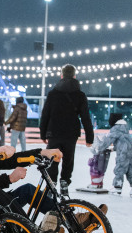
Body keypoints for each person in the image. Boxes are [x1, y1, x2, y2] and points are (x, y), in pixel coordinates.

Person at [40, 64, 94, 196]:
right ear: (74, 76)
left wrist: (43, 133)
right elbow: (85, 117)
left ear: (61, 76)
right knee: (68, 159)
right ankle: (64, 181)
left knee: (52, 158)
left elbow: (45, 114)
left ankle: (52, 184)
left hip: (54, 132)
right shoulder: (80, 95)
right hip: (71, 133)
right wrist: (89, 137)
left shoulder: (53, 94)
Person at [93, 113, 132, 197]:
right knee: (131, 169)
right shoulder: (125, 128)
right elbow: (124, 141)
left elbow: (107, 141)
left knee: (120, 168)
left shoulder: (115, 129)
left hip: (123, 152)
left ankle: (117, 188)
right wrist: (113, 149)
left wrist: (99, 147)